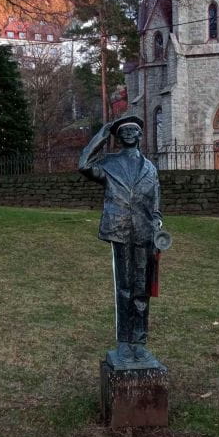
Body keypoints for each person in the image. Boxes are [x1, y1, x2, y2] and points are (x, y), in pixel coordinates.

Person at [79, 115, 163, 369]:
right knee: (124, 288)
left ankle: (139, 342)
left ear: (139, 136)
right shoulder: (108, 163)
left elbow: (155, 205)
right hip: (119, 230)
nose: (128, 133)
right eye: (122, 130)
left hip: (144, 233)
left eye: (133, 130)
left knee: (142, 289)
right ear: (117, 137)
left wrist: (158, 225)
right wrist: (101, 135)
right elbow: (83, 165)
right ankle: (124, 342)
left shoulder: (151, 168)